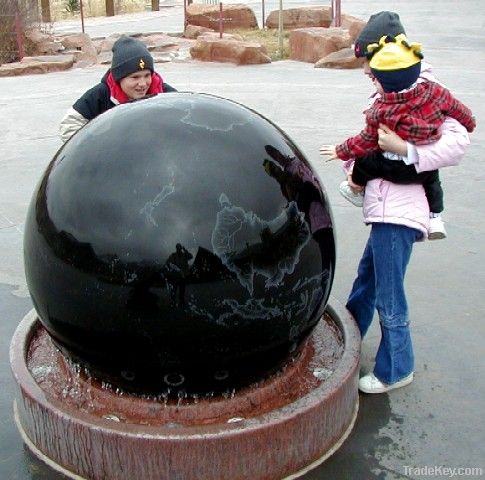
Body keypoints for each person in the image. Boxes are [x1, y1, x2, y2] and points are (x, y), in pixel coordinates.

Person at [322, 11, 471, 394]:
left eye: (366, 63)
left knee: (389, 293)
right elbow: (369, 138)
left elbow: (458, 140)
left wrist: (406, 150)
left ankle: (396, 367)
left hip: (400, 210)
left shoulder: (425, 90)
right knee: (368, 278)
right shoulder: (391, 85)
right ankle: (349, 338)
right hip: (385, 204)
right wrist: (352, 159)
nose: (364, 72)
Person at [321, 33, 475, 241]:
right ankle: (436, 216)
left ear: (387, 83)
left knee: (366, 161)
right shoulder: (435, 92)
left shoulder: (382, 109)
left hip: (393, 171)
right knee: (433, 179)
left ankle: (355, 188)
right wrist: (470, 123)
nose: (372, 82)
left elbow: (365, 140)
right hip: (420, 169)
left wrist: (341, 151)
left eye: (375, 79)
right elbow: (460, 111)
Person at [59, 35, 177, 143]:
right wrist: (96, 147)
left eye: (147, 76)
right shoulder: (102, 94)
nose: (142, 83)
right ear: (119, 78)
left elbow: (187, 117)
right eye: (135, 77)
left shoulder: (164, 94)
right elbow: (69, 125)